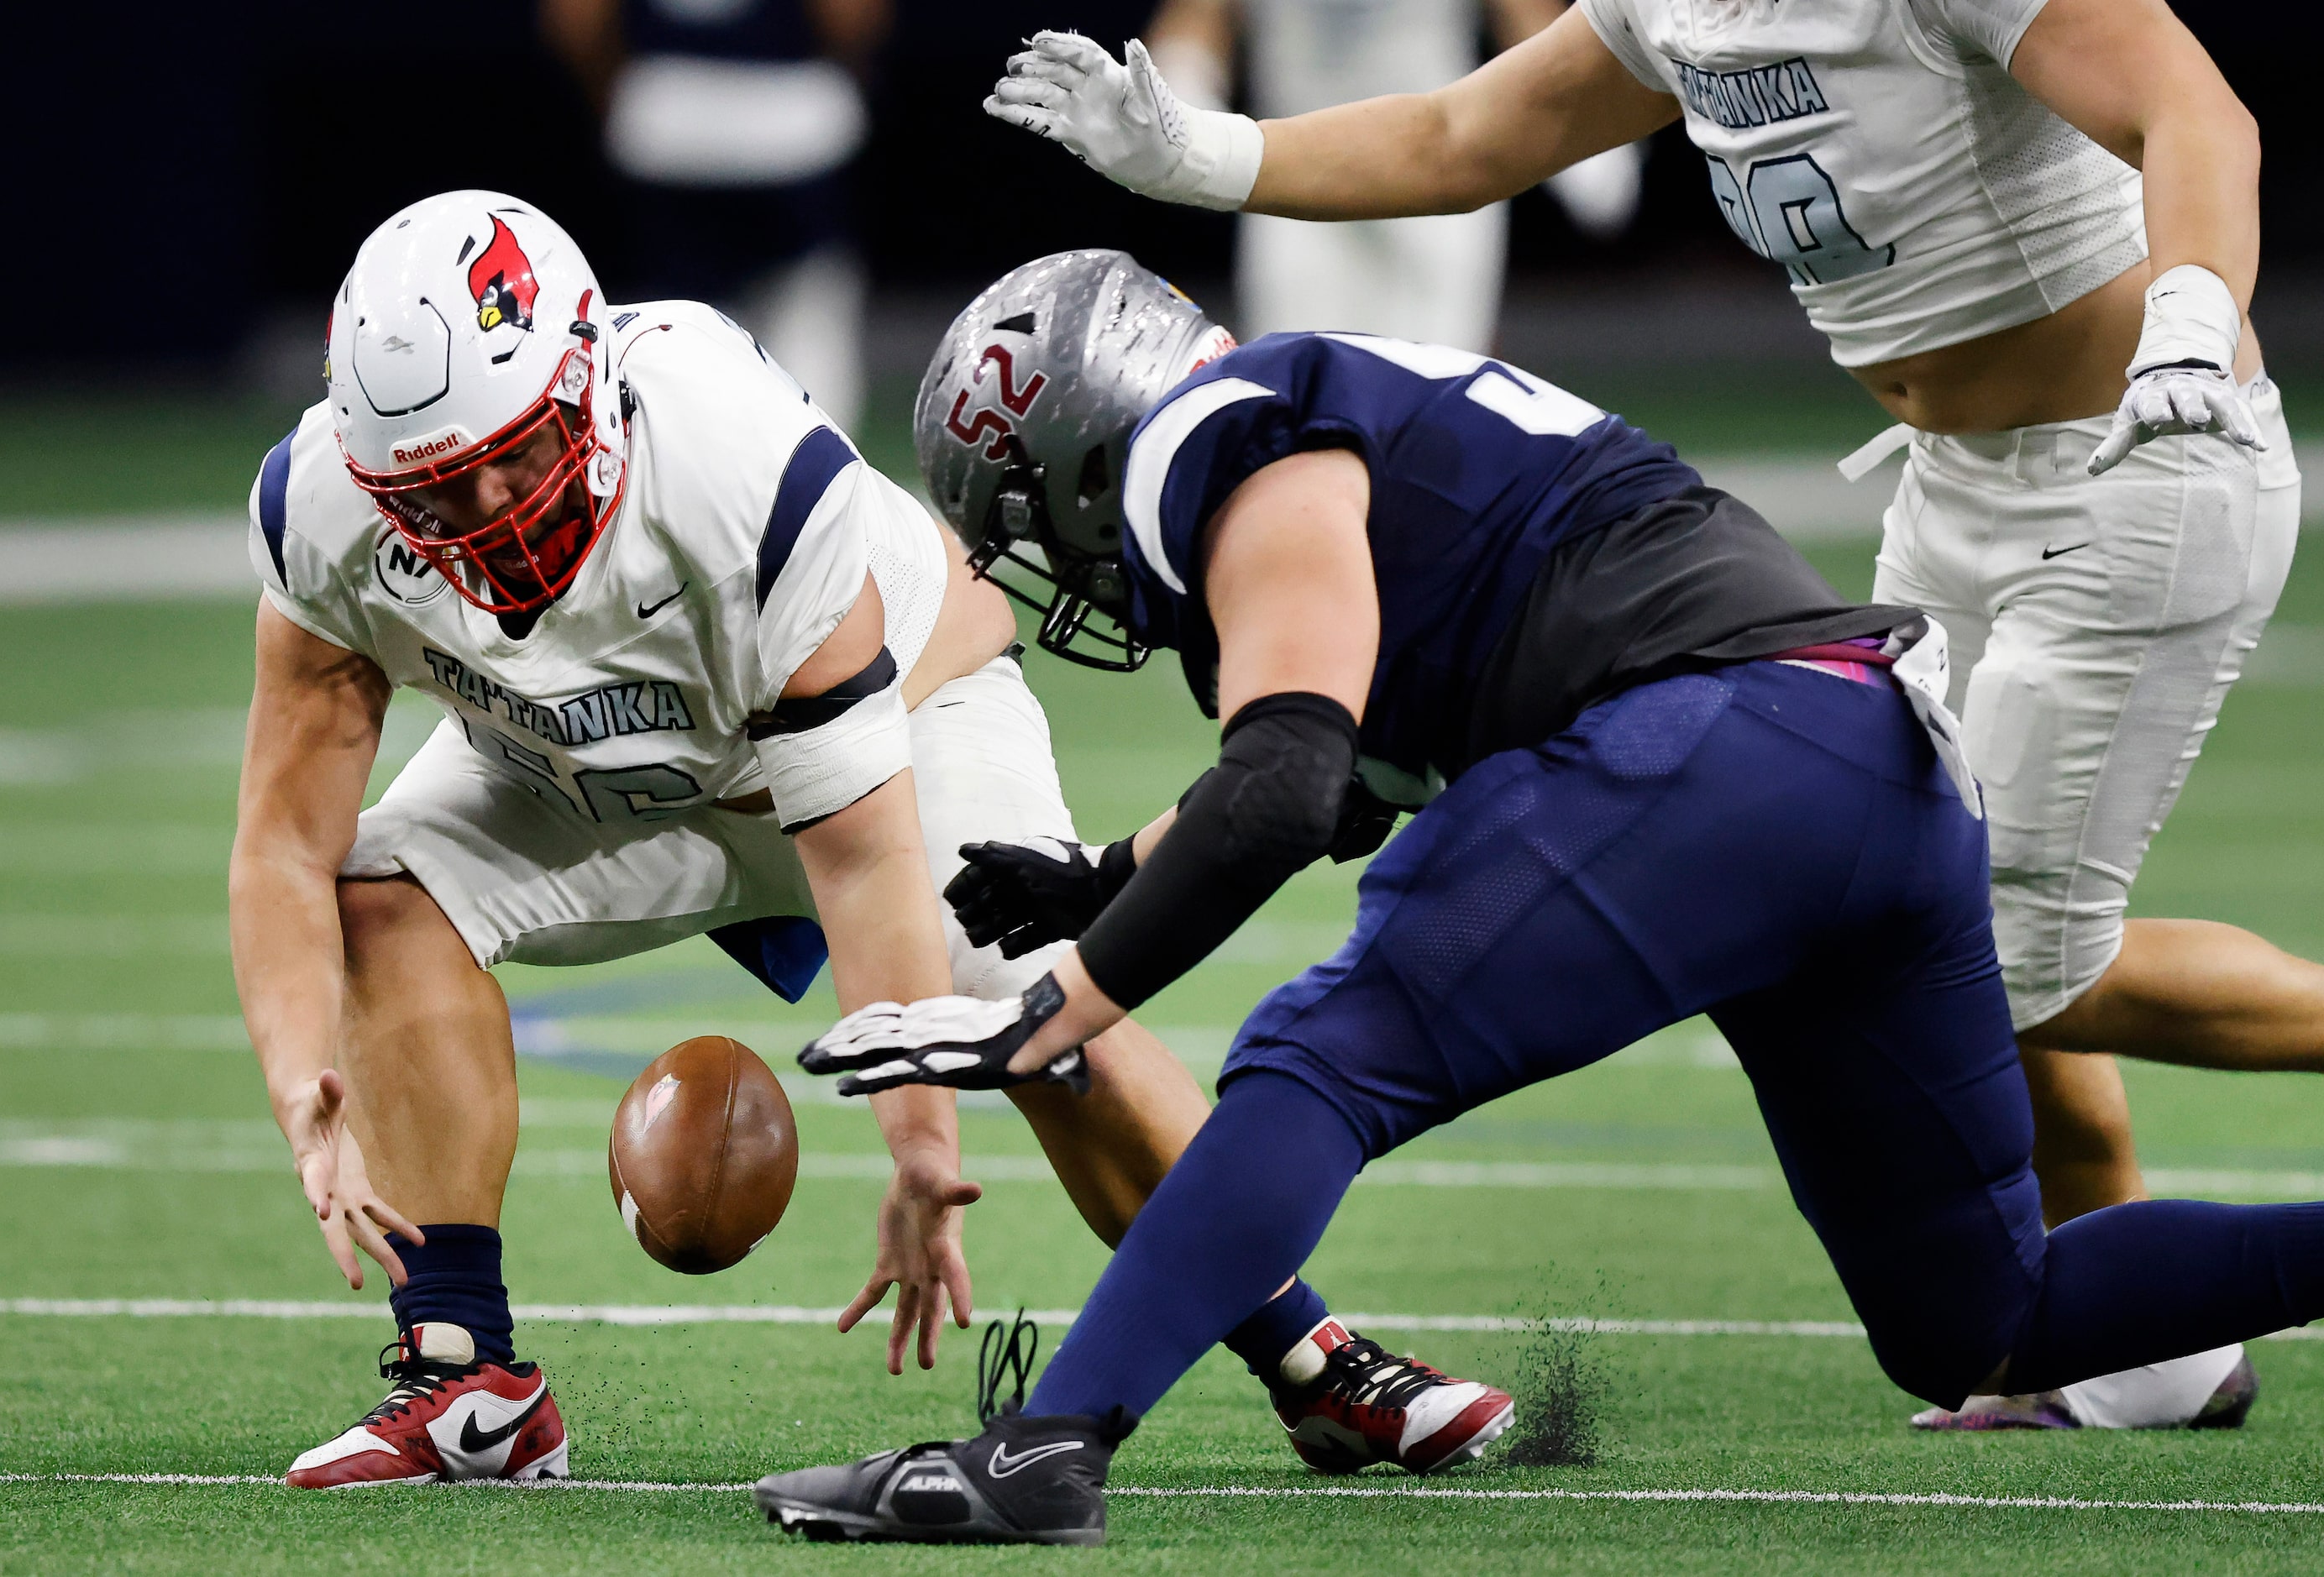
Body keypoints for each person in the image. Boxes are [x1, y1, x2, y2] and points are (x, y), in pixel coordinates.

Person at [751, 252, 2324, 1546]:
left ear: (1089, 450)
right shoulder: (1322, 404)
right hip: (1878, 766)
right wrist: (1108, 878)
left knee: (1318, 1050)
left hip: (1728, 737)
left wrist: (1064, 1002)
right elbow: (1353, 767)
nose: (1062, 565)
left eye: (1036, 516)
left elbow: (1288, 780)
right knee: (1986, 1313)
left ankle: (1046, 1448)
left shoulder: (1214, 430)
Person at [974, 0, 2309, 1431]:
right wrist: (1210, 159)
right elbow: (1463, 131)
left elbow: (2196, 114)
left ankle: (2148, 1334)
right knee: (1963, 932)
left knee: (1996, 947)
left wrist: (2191, 305)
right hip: (1953, 476)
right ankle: (2161, 1352)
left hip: (2144, 445)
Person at [234, 194, 1500, 1489]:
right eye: (437, 490)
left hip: (897, 715)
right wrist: (298, 1085)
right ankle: (465, 1380)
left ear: (587, 382)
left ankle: (1321, 1364)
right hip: (580, 758)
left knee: (1032, 998)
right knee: (377, 890)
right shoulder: (322, 507)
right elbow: (283, 840)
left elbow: (859, 853)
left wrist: (919, 1136)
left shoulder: (736, 471)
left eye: (513, 454)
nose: (492, 510)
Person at [1138, 0, 1638, 353]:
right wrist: (1186, 93)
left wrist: (1584, 145)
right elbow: (1195, 22)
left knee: (1438, 389)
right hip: (1294, 179)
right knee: (1293, 391)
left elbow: (1524, 15)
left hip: (1434, 180)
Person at [542, 0, 884, 432]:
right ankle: (816, 471)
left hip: (669, 118)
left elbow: (576, 20)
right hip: (787, 114)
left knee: (677, 331)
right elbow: (851, 17)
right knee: (806, 316)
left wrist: (625, 93)